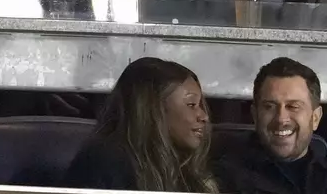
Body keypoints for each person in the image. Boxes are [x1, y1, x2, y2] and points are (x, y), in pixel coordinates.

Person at [64, 57, 218, 192]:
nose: (203, 116)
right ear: (154, 108)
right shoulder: (102, 165)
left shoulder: (191, 171)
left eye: (200, 106)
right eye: (191, 105)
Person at [214, 58, 327, 193]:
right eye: (269, 107)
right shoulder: (222, 177)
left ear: (315, 118)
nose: (281, 119)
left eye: (293, 106)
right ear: (255, 115)